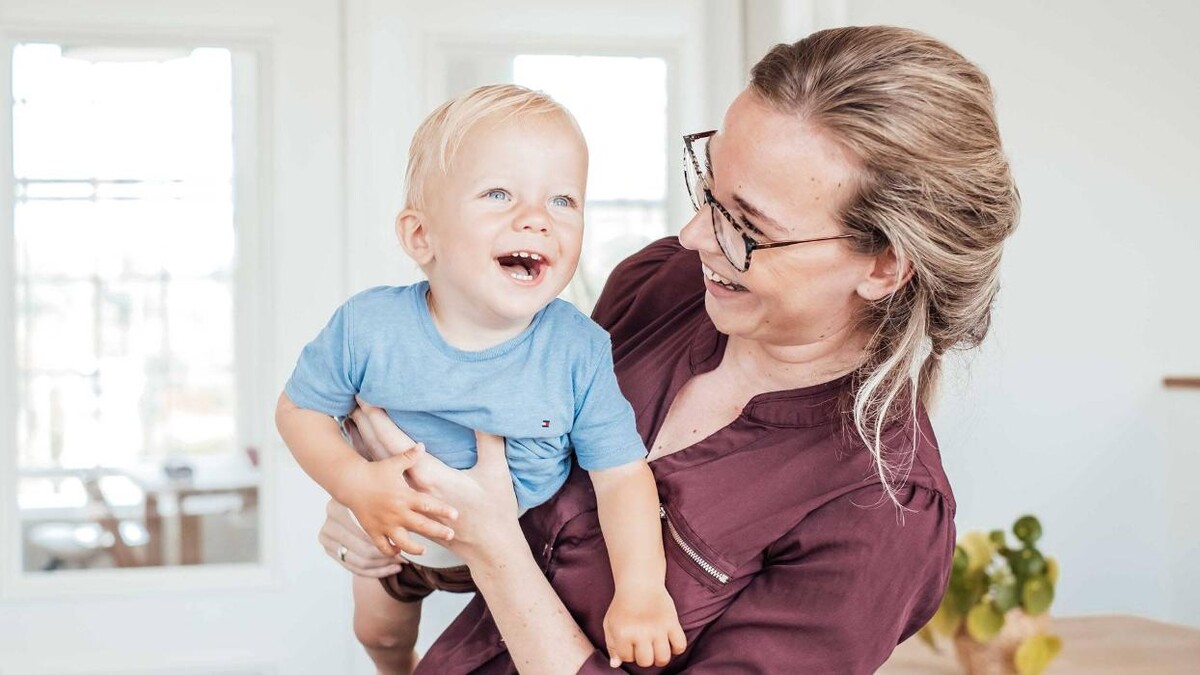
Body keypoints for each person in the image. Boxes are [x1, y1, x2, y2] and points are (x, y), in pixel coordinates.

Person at [320, 25, 1020, 674]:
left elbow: (505, 546)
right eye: (707, 188)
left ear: (883, 266)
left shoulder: (881, 513)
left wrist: (491, 550)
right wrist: (396, 531)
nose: (693, 235)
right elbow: (519, 506)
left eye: (746, 227)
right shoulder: (661, 287)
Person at [278, 84, 685, 675]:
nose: (536, 220)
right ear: (422, 237)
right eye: (499, 194)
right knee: (379, 636)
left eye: (564, 201)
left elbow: (622, 478)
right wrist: (356, 485)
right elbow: (298, 411)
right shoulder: (368, 327)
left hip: (526, 550)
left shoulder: (579, 350)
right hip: (398, 538)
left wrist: (642, 592)